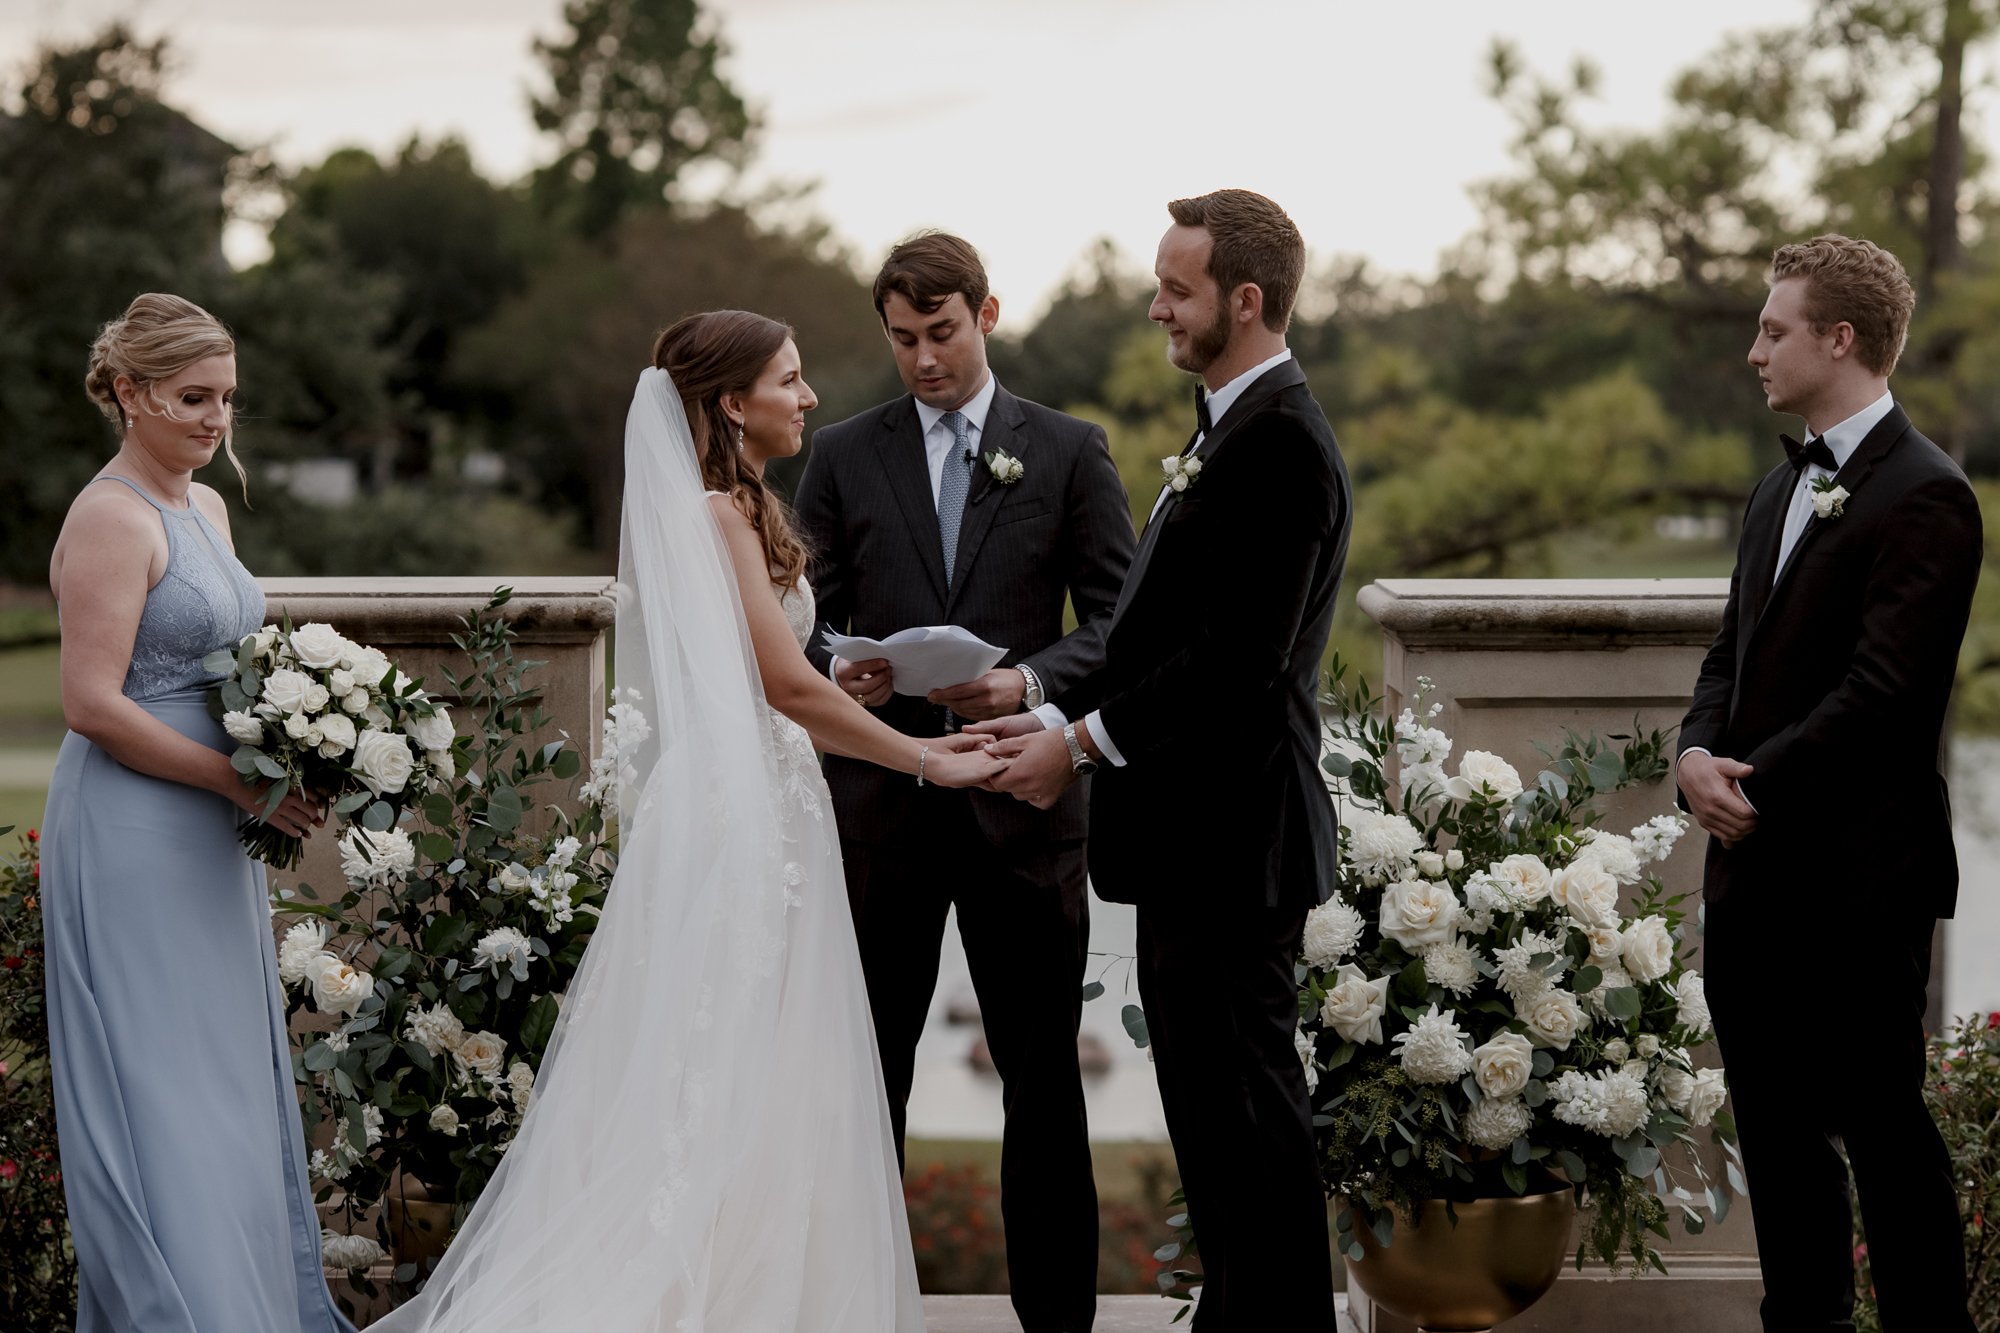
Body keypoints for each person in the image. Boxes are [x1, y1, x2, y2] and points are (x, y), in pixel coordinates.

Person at [375, 310, 1003, 1333]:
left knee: (773, 1065)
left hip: (770, 804)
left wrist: (847, 669)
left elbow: (782, 670)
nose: (807, 397)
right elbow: (781, 690)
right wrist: (928, 757)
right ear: (729, 403)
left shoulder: (743, 503)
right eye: (788, 381)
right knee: (725, 1062)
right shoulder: (714, 513)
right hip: (740, 818)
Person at [975, 190, 1349, 1328]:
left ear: (1245, 299)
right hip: (1194, 844)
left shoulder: (1279, 442)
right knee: (1213, 1132)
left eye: (1174, 289)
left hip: (1237, 843)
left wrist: (1077, 746)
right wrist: (1037, 700)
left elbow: (1237, 662)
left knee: (1250, 1124)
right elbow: (1153, 632)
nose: (1154, 307)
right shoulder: (1222, 429)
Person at [792, 233, 1134, 1330]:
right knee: (867, 1081)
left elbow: (1122, 625)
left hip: (1022, 805)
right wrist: (847, 662)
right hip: (879, 812)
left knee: (1042, 1092)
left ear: (985, 315)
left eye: (940, 333)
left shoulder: (1071, 450)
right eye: (901, 339)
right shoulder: (842, 455)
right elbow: (802, 630)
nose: (922, 359)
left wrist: (1028, 678)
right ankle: (859, 1311)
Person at [1677, 235, 1981, 1332]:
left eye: (1772, 328)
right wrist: (1690, 761)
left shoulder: (1928, 495)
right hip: (1747, 880)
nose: (1754, 349)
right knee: (1773, 1138)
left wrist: (1750, 787)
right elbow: (1727, 655)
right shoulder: (1774, 490)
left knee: (1884, 1135)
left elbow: (1882, 694)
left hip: (1858, 883)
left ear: (1836, 338)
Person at [41, 293, 349, 1332]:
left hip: (216, 831)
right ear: (128, 392)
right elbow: (90, 702)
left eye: (226, 399)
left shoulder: (207, 509)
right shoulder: (108, 516)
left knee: (223, 1086)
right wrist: (234, 780)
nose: (216, 419)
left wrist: (299, 735)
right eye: (190, 398)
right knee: (162, 1089)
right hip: (136, 826)